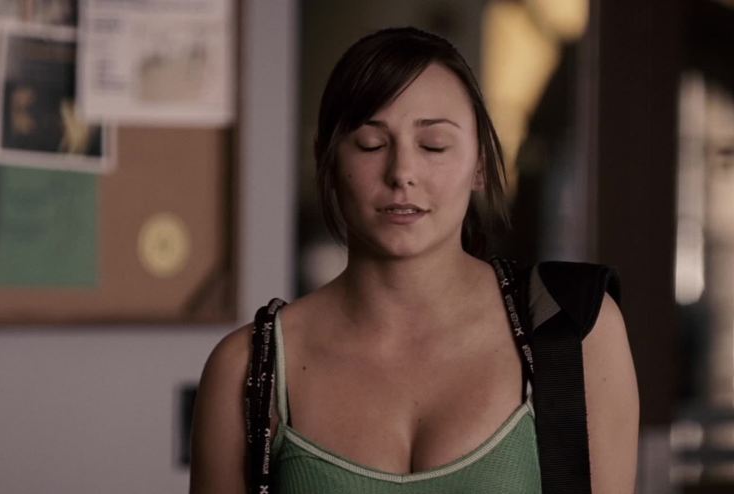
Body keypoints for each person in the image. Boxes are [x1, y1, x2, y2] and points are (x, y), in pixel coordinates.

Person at [189, 27, 639, 493]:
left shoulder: (575, 330)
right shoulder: (247, 370)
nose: (402, 173)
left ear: (481, 162)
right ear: (326, 159)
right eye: (371, 144)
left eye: (433, 145)